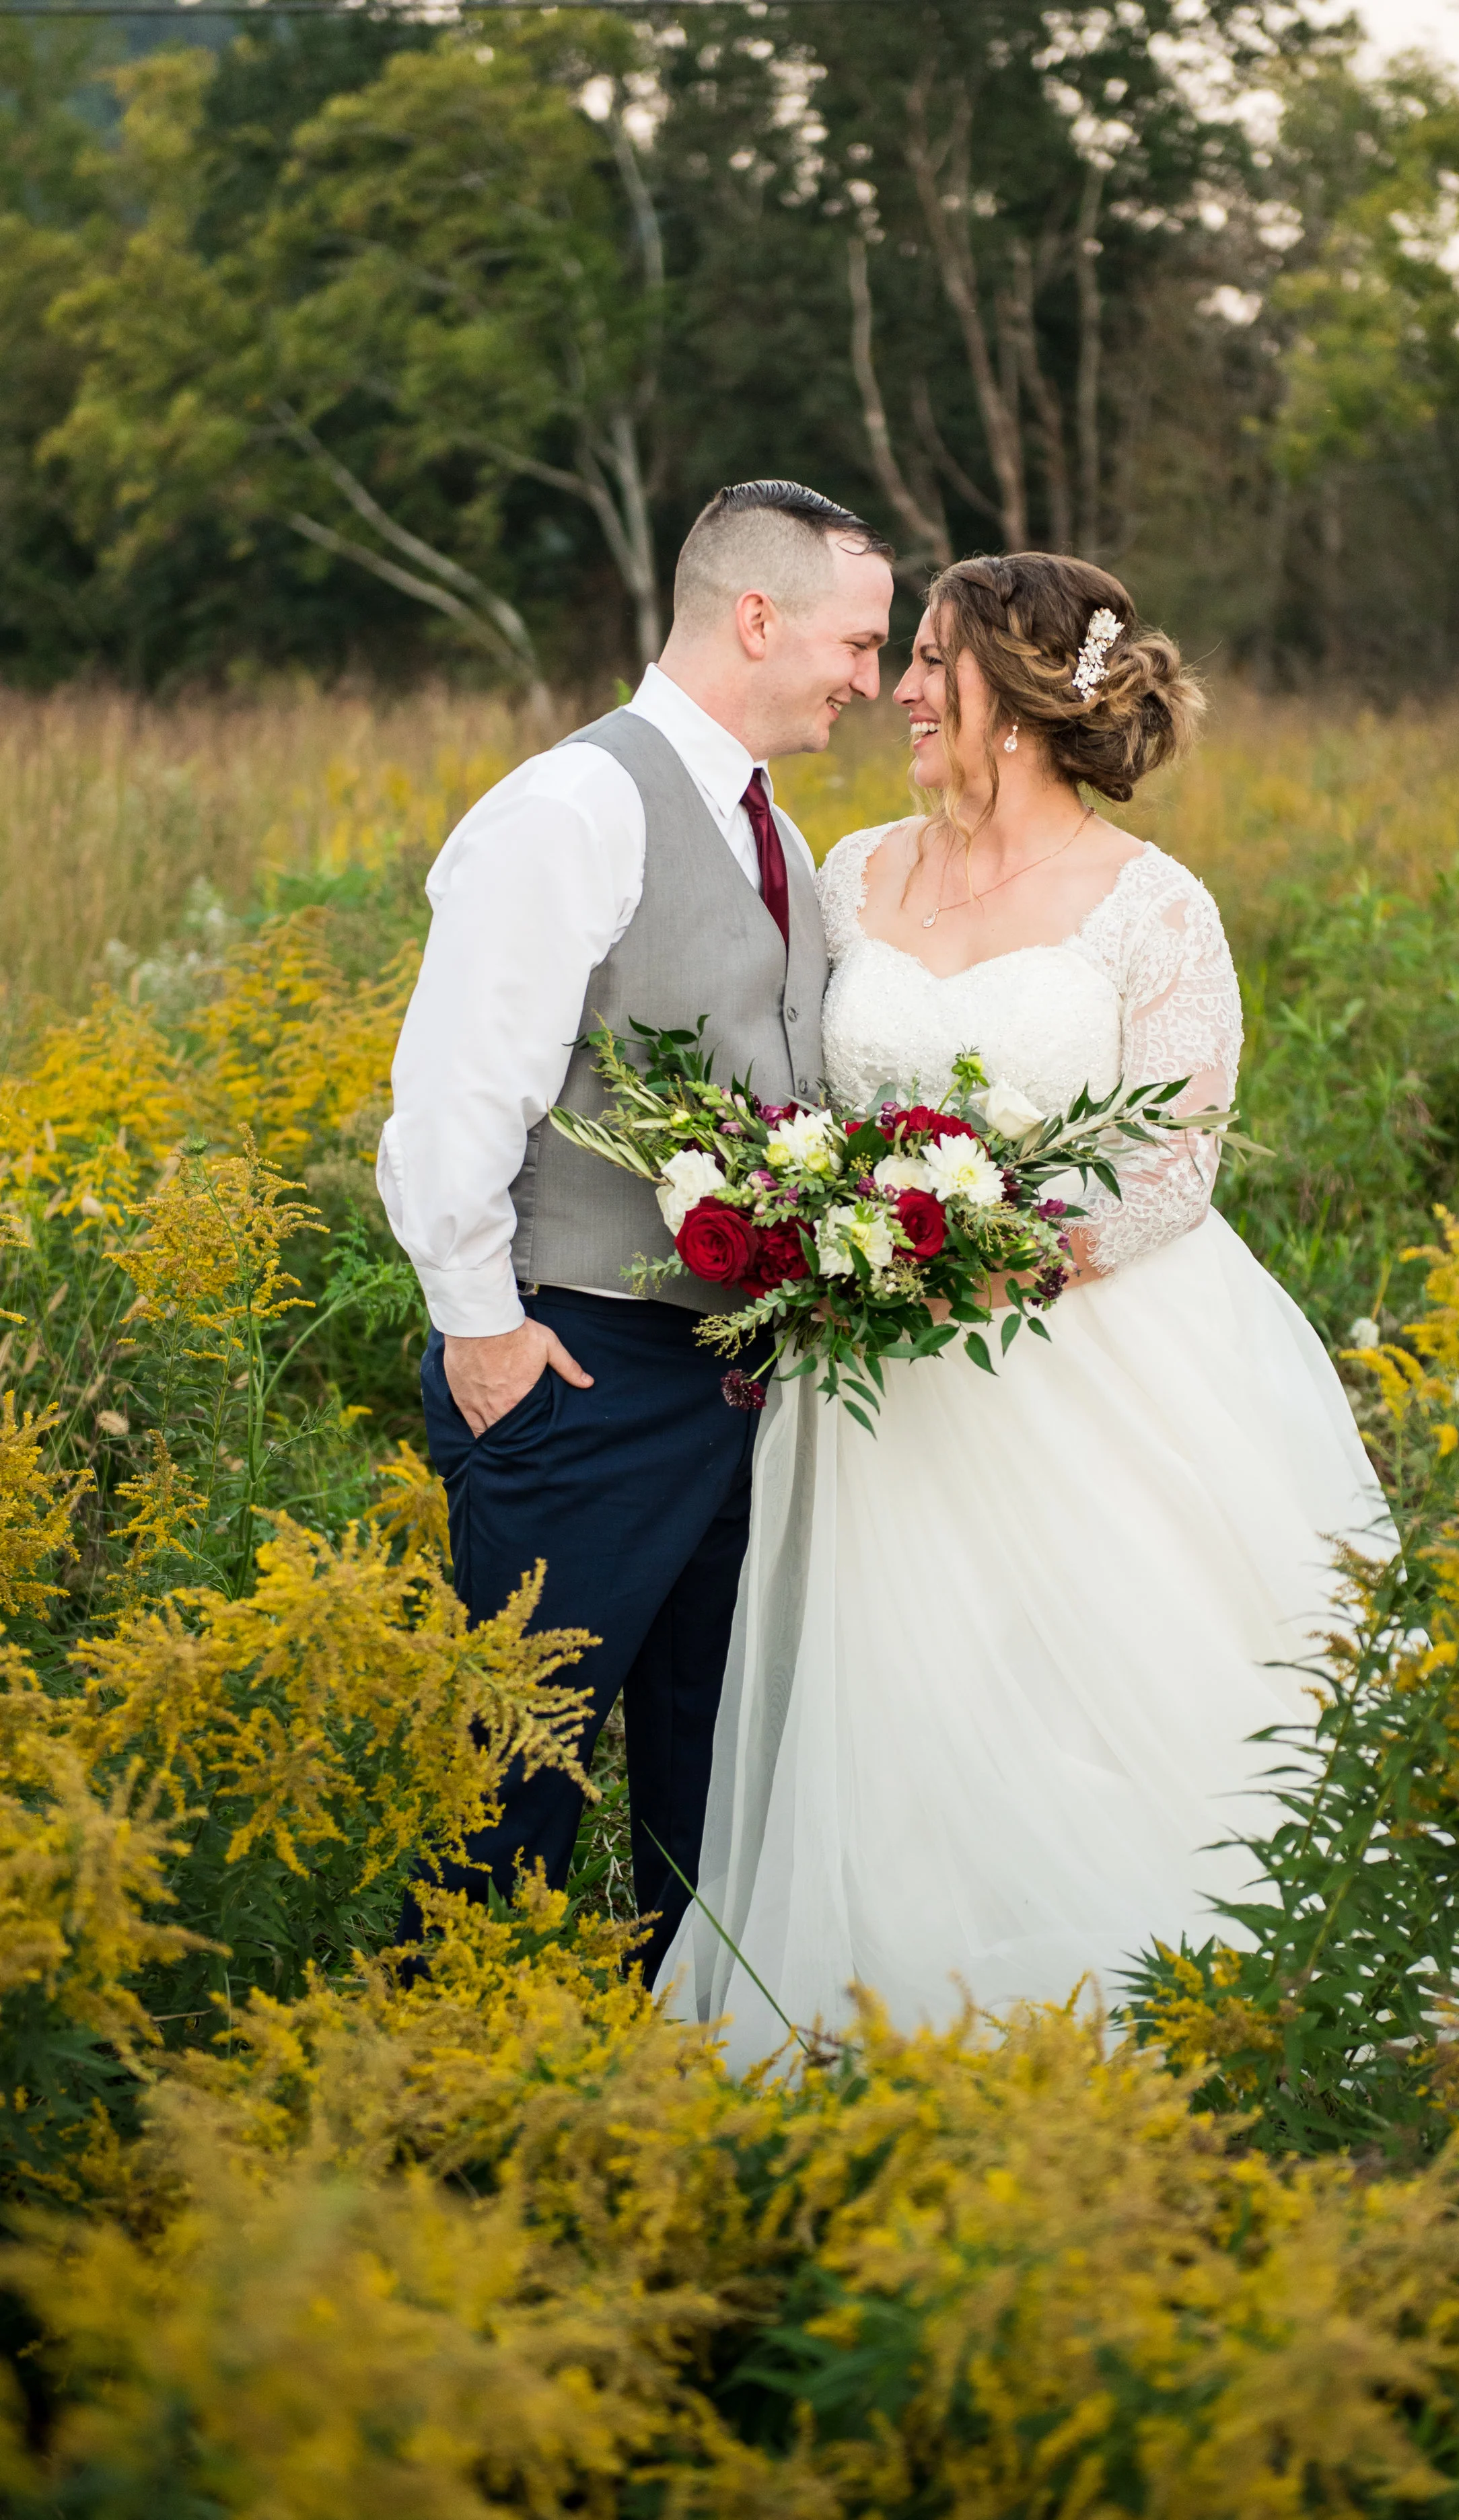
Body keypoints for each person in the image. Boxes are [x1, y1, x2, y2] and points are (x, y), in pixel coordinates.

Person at [658, 551, 1404, 2064]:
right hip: (873, 1383)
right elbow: (773, 1084)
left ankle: (1157, 2020)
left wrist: (993, 1258)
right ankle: (903, 2021)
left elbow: (1177, 1158)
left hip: (1094, 1357)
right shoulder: (845, 872)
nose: (903, 691)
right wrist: (805, 1223)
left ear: (1019, 694)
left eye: (933, 662)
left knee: (1099, 1687)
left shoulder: (1150, 906)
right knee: (899, 1704)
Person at [377, 480, 895, 1976]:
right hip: (579, 1363)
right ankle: (440, 2109)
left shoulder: (777, 833)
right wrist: (483, 1333)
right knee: (511, 1774)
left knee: (706, 1769)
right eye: (857, 642)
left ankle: (669, 2094)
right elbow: (455, 1098)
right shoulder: (574, 805)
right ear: (755, 617)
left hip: (736, 1379)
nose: (869, 678)